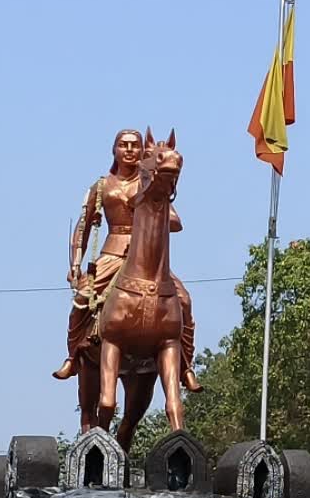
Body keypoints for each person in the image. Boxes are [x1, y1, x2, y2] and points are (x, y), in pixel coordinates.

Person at [53, 129, 202, 392]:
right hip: (112, 252)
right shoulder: (101, 187)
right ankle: (73, 355)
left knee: (184, 301)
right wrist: (75, 265)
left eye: (134, 146)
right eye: (124, 145)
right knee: (82, 299)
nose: (130, 150)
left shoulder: (148, 182)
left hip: (145, 255)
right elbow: (82, 228)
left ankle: (185, 365)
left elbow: (176, 221)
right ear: (115, 150)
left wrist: (151, 211)